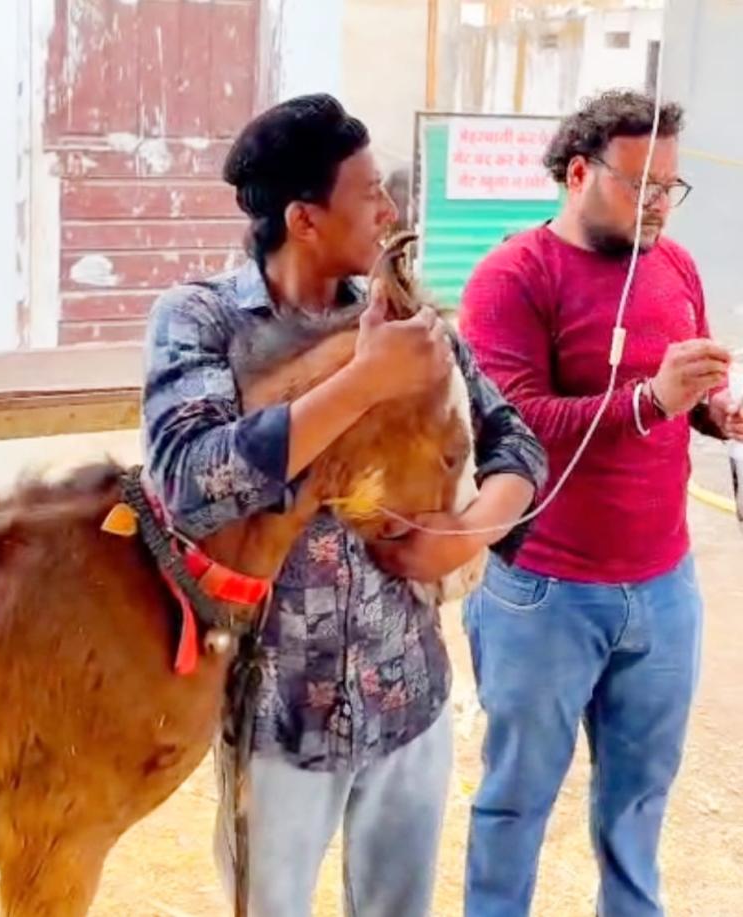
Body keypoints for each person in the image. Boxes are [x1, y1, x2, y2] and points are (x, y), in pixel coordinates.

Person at [142, 93, 546, 917]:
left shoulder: (404, 317)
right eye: (369, 195)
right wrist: (361, 382)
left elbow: (517, 440)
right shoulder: (204, 320)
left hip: (409, 698)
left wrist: (470, 530)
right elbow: (187, 480)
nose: (389, 211)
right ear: (304, 218)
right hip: (276, 713)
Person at [459, 89, 743, 917]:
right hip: (544, 589)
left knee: (639, 804)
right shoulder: (513, 276)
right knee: (516, 801)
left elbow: (683, 395)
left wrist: (714, 410)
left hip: (665, 586)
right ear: (578, 173)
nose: (659, 204)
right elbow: (514, 423)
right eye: (639, 184)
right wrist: (651, 401)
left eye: (670, 186)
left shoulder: (675, 265)